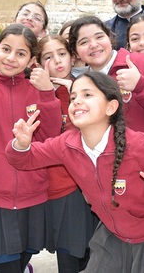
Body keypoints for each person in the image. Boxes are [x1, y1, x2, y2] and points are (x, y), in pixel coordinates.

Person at [6, 71, 144, 273]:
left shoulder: (139, 145)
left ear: (111, 107)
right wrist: (21, 144)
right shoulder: (66, 144)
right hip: (114, 233)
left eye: (87, 95)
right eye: (73, 96)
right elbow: (22, 159)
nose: (77, 101)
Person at [0, 24, 61, 273]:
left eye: (21, 53)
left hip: (33, 193)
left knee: (21, 260)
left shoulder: (37, 88)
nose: (11, 58)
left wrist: (48, 94)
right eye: (6, 49)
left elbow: (50, 137)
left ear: (31, 60)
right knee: (8, 267)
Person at [36, 35, 97, 273]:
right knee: (68, 254)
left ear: (72, 56)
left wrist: (75, 94)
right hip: (57, 185)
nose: (57, 61)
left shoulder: (85, 88)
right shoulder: (35, 92)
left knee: (92, 251)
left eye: (61, 54)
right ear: (38, 63)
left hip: (86, 182)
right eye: (48, 57)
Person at [68, 16, 144, 135]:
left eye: (99, 37)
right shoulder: (81, 84)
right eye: (84, 42)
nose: (94, 45)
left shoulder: (136, 61)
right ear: (76, 53)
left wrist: (140, 84)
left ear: (110, 38)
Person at [0, 1, 49, 71]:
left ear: (43, 32)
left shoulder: (42, 62)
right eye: (25, 14)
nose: (29, 18)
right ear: (13, 21)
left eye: (37, 18)